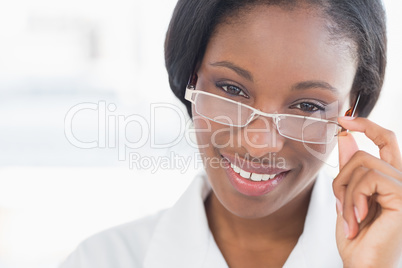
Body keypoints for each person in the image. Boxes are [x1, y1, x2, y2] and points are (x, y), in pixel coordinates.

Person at [60, 0, 402, 267]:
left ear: (352, 109)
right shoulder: (101, 260)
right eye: (232, 89)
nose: (260, 142)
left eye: (308, 106)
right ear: (192, 77)